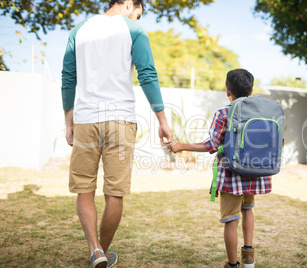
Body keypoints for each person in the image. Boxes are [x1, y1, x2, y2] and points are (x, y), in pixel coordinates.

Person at [61, 0, 173, 267]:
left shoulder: (80, 28)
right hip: (121, 121)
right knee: (115, 193)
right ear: (128, 4)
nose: (138, 17)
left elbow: (68, 76)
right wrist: (162, 119)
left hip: (87, 119)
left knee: (84, 189)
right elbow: (147, 74)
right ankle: (101, 251)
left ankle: (95, 250)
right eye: (138, 12)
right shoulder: (134, 30)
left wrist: (68, 120)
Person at [168, 69, 271, 268]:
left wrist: (181, 146)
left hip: (232, 175)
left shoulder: (224, 113)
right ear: (250, 92)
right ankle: (249, 260)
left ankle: (233, 265)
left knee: (231, 219)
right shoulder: (262, 113)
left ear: (227, 91)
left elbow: (211, 145)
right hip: (255, 172)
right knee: (248, 210)